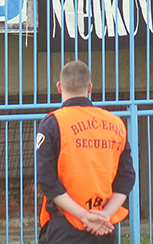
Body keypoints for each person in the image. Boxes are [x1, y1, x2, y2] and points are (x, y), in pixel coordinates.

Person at [35, 59, 135, 244]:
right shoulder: (116, 124)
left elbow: (47, 179)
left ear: (59, 87)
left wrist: (83, 216)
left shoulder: (53, 123)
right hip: (105, 226)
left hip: (65, 225)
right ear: (90, 88)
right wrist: (104, 215)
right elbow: (126, 178)